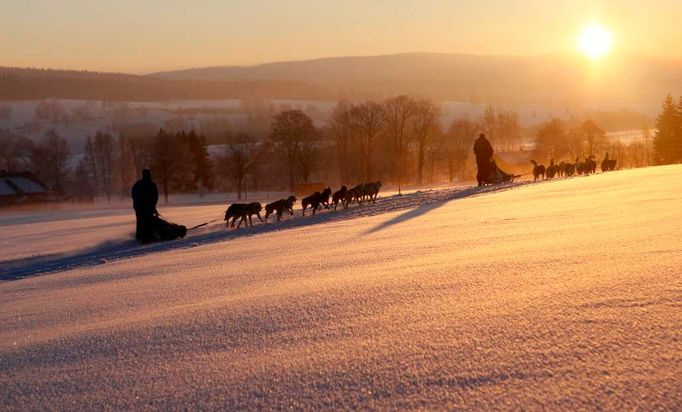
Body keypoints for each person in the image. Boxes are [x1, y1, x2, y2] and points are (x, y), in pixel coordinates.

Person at [131, 168, 159, 243]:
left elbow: (132, 195)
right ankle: (147, 237)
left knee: (140, 221)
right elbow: (155, 197)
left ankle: (139, 236)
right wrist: (153, 207)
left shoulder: (137, 184)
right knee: (148, 221)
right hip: (147, 207)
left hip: (138, 207)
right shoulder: (152, 184)